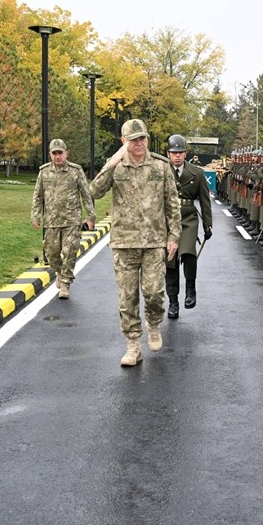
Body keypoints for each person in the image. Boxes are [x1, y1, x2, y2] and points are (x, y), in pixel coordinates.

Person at [89, 119, 182, 367]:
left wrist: (173, 237)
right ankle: (132, 346)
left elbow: (172, 203)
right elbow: (94, 191)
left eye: (142, 138)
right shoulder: (116, 167)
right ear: (124, 142)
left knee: (153, 293)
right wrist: (113, 161)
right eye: (133, 140)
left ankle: (153, 324)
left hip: (154, 242)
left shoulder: (160, 167)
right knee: (127, 298)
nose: (139, 143)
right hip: (124, 243)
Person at [30, 138, 95, 299]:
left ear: (66, 153)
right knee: (52, 254)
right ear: (50, 155)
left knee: (69, 253)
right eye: (54, 153)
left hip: (71, 220)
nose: (58, 156)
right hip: (51, 221)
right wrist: (35, 215)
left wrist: (91, 215)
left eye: (60, 153)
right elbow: (37, 196)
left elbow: (86, 195)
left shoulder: (76, 171)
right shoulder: (44, 172)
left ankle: (65, 283)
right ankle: (59, 271)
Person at [165, 134, 213, 319]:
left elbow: (204, 201)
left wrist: (208, 225)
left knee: (188, 253)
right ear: (168, 154)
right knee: (170, 261)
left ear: (186, 153)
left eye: (181, 152)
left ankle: (191, 289)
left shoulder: (197, 173)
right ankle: (173, 302)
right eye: (174, 152)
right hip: (167, 219)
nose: (177, 156)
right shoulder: (162, 171)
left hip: (188, 218)